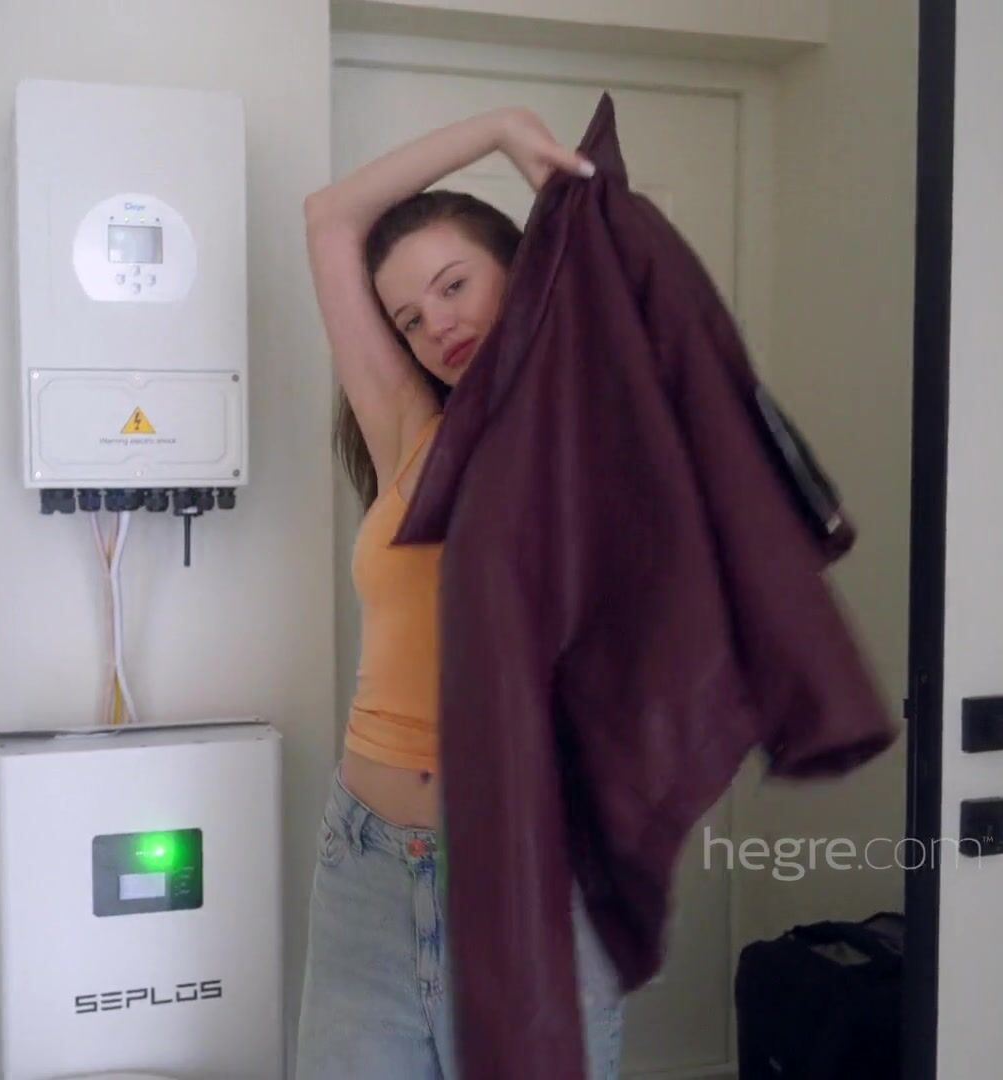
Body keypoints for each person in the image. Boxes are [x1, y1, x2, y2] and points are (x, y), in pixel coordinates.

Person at [294, 107, 623, 1079]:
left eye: (453, 284)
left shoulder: (596, 425)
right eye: (408, 315)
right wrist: (496, 130)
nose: (435, 323)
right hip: (364, 854)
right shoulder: (406, 427)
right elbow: (328, 219)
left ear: (519, 274)